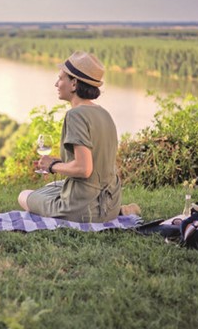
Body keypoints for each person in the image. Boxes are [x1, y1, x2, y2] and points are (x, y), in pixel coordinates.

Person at [18, 51, 130, 223]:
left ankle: (79, 213)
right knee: (50, 187)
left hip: (84, 209)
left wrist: (53, 165)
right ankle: (122, 211)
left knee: (24, 195)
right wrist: (59, 163)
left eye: (61, 78)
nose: (56, 84)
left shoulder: (76, 115)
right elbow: (94, 162)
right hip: (111, 204)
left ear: (74, 84)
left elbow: (84, 169)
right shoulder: (103, 113)